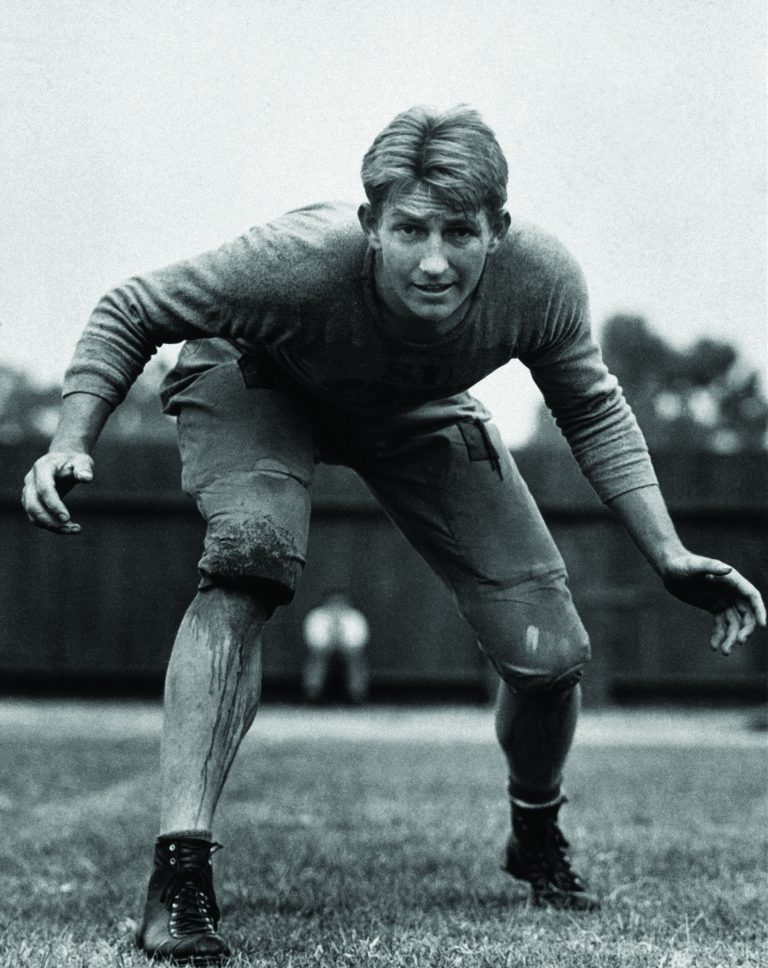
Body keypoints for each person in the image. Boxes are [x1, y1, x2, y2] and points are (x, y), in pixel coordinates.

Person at [22, 105, 765, 963]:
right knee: (249, 561)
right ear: (372, 225)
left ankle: (535, 829)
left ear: (500, 231)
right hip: (260, 378)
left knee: (551, 652)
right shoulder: (295, 262)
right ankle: (179, 877)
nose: (436, 259)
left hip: (411, 408)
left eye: (461, 231)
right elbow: (131, 307)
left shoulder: (541, 281)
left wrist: (667, 550)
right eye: (411, 229)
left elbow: (592, 407)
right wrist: (71, 440)